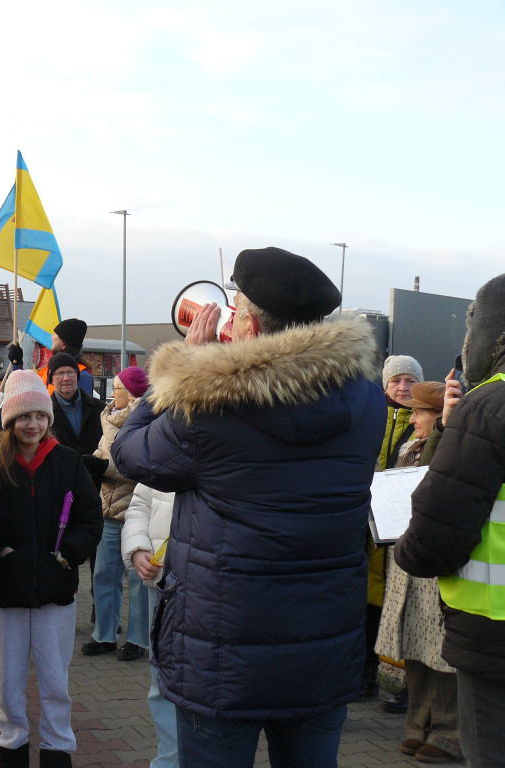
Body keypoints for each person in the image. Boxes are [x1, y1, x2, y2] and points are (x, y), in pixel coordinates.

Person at [112, 246, 385, 768]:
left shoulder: (212, 407)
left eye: (235, 312)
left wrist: (181, 373)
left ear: (252, 328)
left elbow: (130, 453)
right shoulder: (367, 401)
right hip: (322, 649)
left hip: (223, 654)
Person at [395, 273, 505, 768]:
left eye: (472, 320)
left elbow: (435, 536)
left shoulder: (489, 407)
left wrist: (405, 551)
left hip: (493, 637)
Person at [0, 370, 102, 768]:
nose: (31, 425)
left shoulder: (67, 460)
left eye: (39, 416)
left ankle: (57, 751)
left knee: (55, 682)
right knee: (8, 684)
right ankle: (13, 747)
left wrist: (68, 557)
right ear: (10, 420)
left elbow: (90, 517)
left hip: (56, 590)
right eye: (23, 417)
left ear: (48, 418)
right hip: (7, 591)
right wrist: (0, 551)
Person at [374, 381, 462, 762]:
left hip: (433, 564)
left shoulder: (452, 447)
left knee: (438, 652)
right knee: (412, 645)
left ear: (439, 416)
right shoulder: (408, 448)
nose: (412, 419)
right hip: (405, 561)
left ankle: (448, 733)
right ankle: (418, 725)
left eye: (420, 413)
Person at [364, 355, 425, 699]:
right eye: (396, 381)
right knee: (367, 598)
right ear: (385, 385)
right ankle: (366, 671)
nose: (403, 388)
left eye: (410, 381)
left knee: (395, 597)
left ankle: (395, 677)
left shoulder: (423, 423)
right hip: (368, 523)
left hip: (401, 523)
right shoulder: (371, 418)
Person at [83, 366, 152, 661]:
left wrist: (104, 468)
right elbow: (104, 452)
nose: (112, 392)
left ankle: (139, 639)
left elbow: (139, 465)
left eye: (118, 388)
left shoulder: (145, 421)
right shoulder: (109, 419)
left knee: (137, 580)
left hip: (135, 512)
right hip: (107, 511)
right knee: (103, 573)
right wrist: (92, 462)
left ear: (133, 393)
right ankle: (104, 634)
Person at [121, 483, 178, 768]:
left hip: (217, 589)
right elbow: (140, 503)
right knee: (161, 684)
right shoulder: (164, 441)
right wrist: (137, 548)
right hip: (164, 586)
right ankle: (168, 762)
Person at [47, 353, 104, 457]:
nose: (66, 378)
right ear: (51, 379)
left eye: (70, 372)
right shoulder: (45, 414)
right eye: (60, 373)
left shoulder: (100, 409)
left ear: (77, 375)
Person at [37, 319, 93, 395]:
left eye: (55, 334)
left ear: (63, 343)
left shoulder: (82, 375)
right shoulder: (49, 368)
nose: (52, 337)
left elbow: (83, 405)